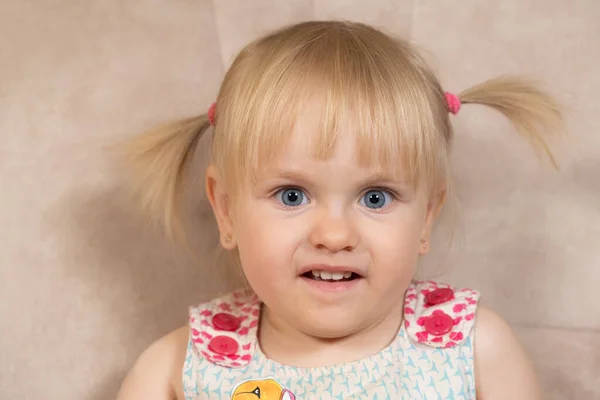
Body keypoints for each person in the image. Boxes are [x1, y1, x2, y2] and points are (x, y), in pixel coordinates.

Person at [115, 20, 564, 399]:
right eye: (292, 195)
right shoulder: (175, 370)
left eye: (375, 197)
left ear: (427, 215)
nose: (334, 235)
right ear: (226, 210)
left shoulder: (474, 349)